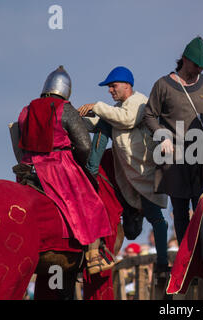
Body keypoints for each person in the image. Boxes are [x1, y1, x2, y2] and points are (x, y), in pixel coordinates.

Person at [16, 65, 113, 274]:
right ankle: (94, 257)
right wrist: (81, 164)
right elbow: (85, 145)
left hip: (27, 167)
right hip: (57, 167)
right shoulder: (65, 109)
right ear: (66, 90)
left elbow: (18, 137)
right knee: (91, 202)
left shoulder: (26, 110)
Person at [78, 66, 170, 274]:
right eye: (109, 87)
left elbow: (126, 119)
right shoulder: (118, 108)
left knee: (156, 219)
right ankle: (92, 170)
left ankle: (163, 263)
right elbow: (102, 121)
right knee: (103, 122)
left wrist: (97, 106)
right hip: (130, 175)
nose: (110, 90)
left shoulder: (139, 102)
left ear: (127, 86)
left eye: (113, 86)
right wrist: (77, 118)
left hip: (144, 173)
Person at [143, 37, 203, 244]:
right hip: (174, 158)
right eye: (196, 65)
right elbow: (149, 115)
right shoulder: (163, 85)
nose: (199, 70)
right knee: (181, 212)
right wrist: (162, 136)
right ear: (184, 60)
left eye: (202, 66)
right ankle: (186, 262)